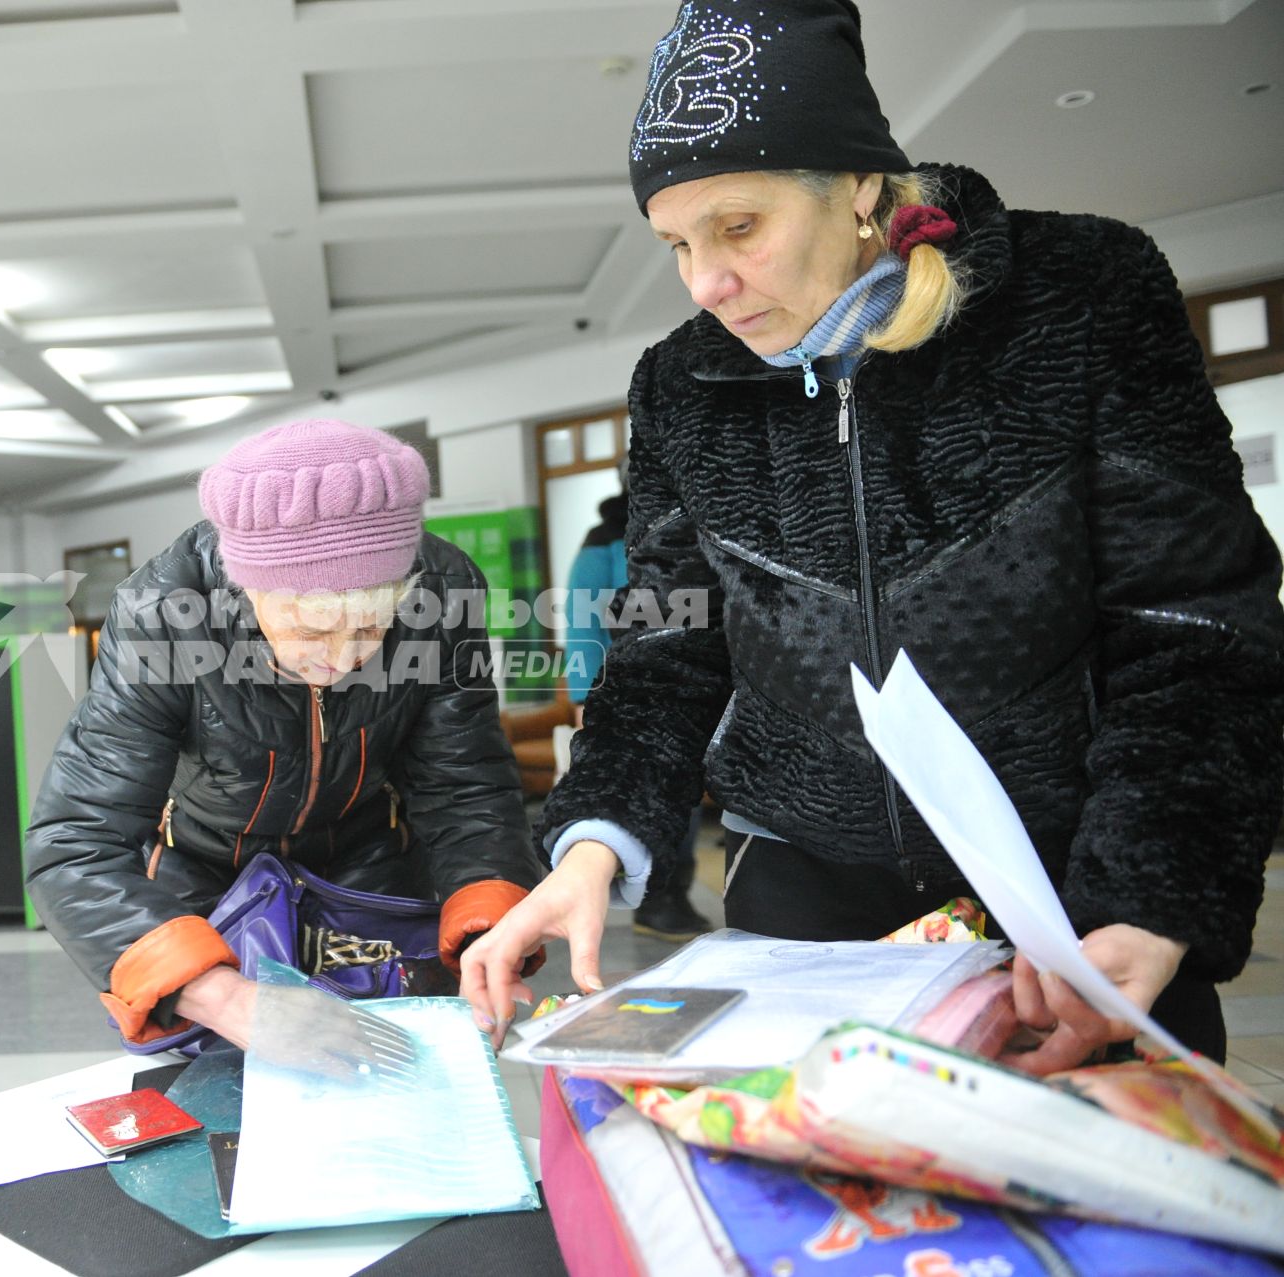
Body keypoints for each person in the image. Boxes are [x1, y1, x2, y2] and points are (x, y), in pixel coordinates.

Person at [463, 0, 1283, 1077]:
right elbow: (664, 654)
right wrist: (591, 842)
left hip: (1069, 891)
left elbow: (1196, 628)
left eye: (739, 227)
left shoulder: (1082, 298)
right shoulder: (681, 385)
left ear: (856, 185)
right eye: (675, 243)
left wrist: (1148, 892)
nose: (705, 283)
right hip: (803, 899)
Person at [26, 419, 547, 1053]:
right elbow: (75, 840)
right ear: (245, 594)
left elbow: (464, 786)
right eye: (312, 631)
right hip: (209, 878)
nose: (343, 659)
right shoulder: (165, 613)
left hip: (370, 866)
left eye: (370, 629)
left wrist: (486, 931)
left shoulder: (442, 588)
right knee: (221, 1103)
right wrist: (224, 997)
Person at [564, 491, 707, 939]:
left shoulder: (690, 524)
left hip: (688, 682)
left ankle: (673, 890)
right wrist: (585, 697)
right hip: (620, 691)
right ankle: (654, 896)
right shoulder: (601, 543)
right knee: (644, 788)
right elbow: (581, 624)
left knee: (687, 792)